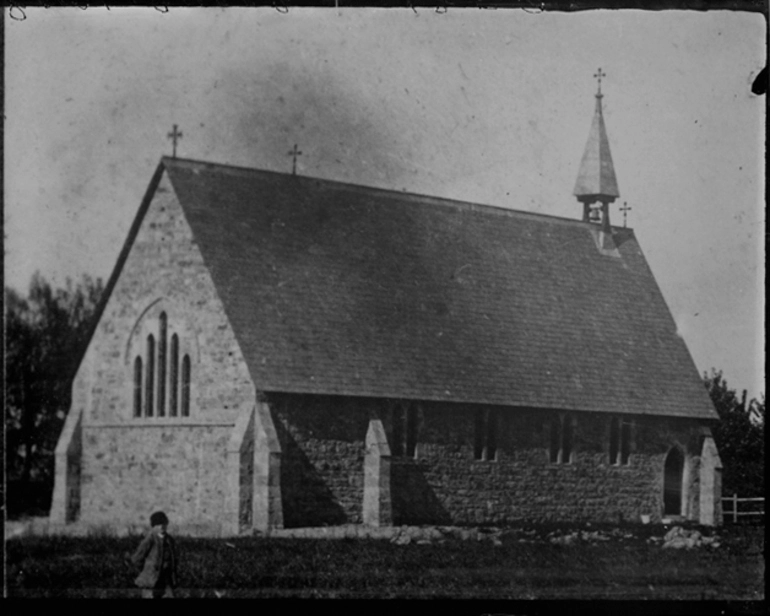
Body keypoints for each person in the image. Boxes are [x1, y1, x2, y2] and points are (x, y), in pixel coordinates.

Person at [131, 511, 178, 598]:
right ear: (153, 526)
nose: (162, 526)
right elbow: (136, 559)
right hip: (151, 581)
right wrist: (146, 571)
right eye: (158, 524)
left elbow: (174, 560)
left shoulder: (170, 540)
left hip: (166, 581)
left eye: (163, 523)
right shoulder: (150, 539)